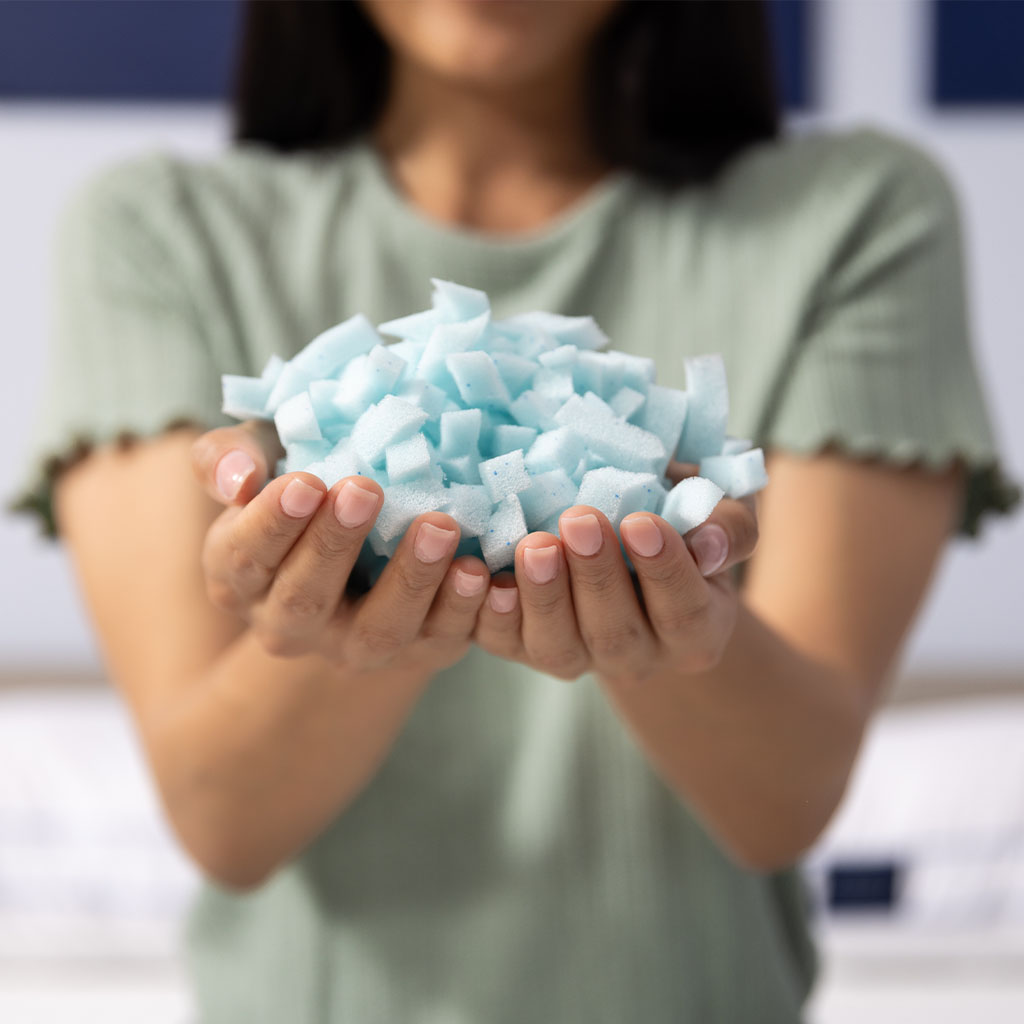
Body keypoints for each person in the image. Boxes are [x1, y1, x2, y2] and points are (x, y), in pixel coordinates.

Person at [9, 1, 1019, 1021]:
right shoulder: (157, 231)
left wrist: (675, 634)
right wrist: (367, 614)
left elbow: (784, 805)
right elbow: (223, 823)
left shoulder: (858, 214)